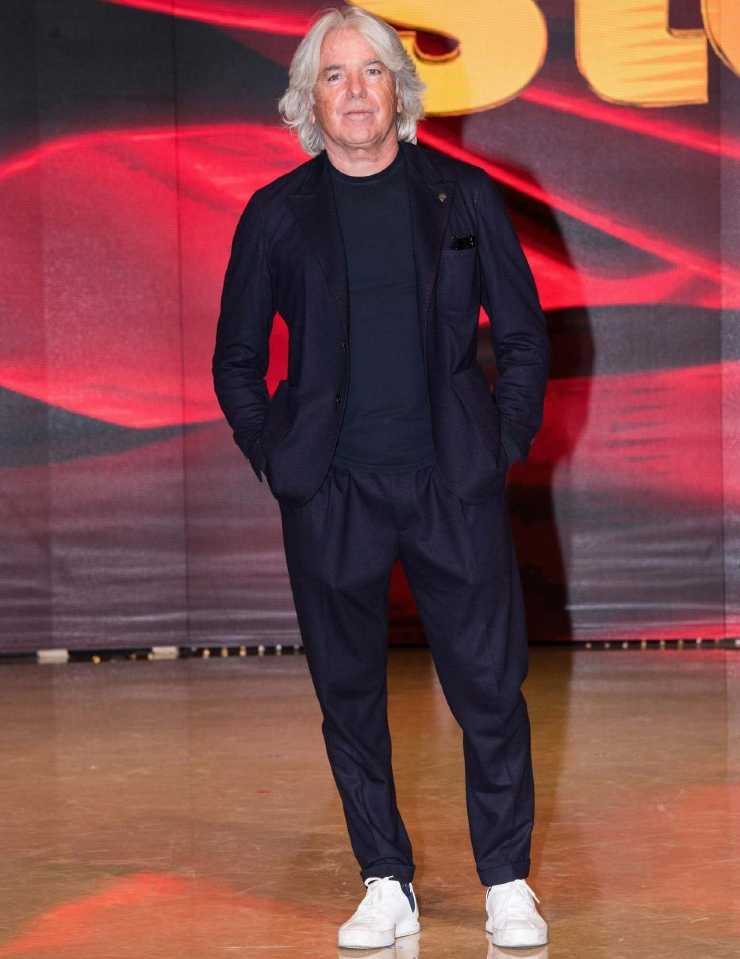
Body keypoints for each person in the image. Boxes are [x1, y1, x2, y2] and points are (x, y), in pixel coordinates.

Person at [212, 4, 550, 950]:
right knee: (348, 695)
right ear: (308, 99)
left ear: (400, 90)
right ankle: (385, 877)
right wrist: (279, 460)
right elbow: (236, 360)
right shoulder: (277, 214)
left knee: (489, 687)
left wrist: (497, 445)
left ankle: (507, 879)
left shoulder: (464, 198)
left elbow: (523, 338)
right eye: (335, 74)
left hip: (451, 483)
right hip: (332, 491)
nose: (355, 90)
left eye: (371, 72)